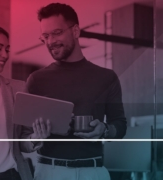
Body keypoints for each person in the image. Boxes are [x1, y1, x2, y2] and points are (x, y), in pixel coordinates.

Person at [26, 3, 127, 180]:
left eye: (56, 33)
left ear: (75, 31)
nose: (50, 41)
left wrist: (104, 129)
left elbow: (120, 125)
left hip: (93, 171)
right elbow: (22, 140)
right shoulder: (36, 80)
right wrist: (36, 137)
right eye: (45, 36)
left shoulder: (107, 78)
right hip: (50, 171)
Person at [0, 24, 50, 180]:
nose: (5, 55)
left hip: (13, 175)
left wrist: (35, 138)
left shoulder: (18, 88)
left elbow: (22, 141)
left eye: (7, 49)